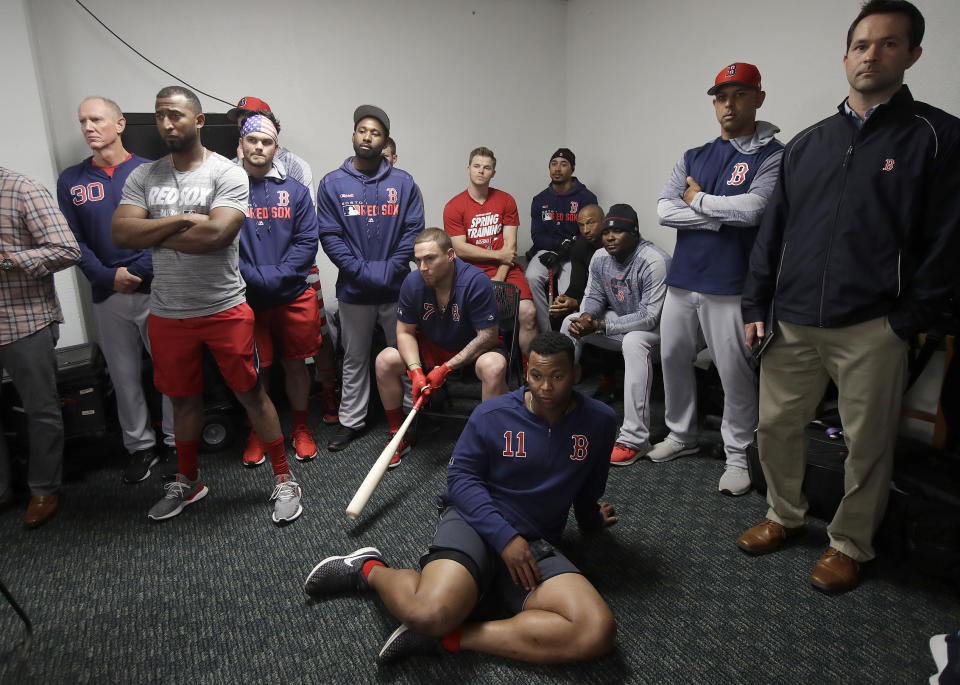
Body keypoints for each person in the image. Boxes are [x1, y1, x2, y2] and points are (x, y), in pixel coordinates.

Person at [737, 0, 960, 593]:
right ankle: (783, 515)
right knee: (775, 427)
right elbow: (772, 233)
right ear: (845, 58)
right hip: (793, 321)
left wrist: (911, 319)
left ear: (912, 54)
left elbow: (950, 240)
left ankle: (850, 544)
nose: (872, 54)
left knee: (866, 444)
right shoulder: (808, 144)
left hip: (874, 326)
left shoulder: (938, 137)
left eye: (888, 44)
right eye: (862, 44)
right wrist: (757, 306)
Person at [304, 331, 618, 665]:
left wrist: (591, 519)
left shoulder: (598, 421)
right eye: (537, 376)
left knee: (596, 630)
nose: (545, 387)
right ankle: (367, 568)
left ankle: (449, 637)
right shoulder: (493, 415)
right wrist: (504, 537)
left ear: (576, 374)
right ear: (526, 372)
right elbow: (460, 480)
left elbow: (587, 486)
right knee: (427, 612)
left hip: (535, 543)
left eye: (557, 376)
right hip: (476, 521)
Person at [112, 86, 302, 525]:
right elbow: (121, 234)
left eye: (176, 115)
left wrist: (152, 228)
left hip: (224, 308)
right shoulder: (144, 177)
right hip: (168, 311)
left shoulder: (227, 174)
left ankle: (283, 476)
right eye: (160, 116)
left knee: (251, 394)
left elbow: (216, 236)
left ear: (198, 121)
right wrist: (181, 219)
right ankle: (188, 479)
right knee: (182, 402)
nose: (166, 124)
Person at [649, 62, 783, 496]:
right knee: (672, 357)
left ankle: (740, 455)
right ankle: (681, 435)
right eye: (722, 96)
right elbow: (664, 210)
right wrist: (716, 215)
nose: (729, 103)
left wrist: (699, 200)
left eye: (740, 94)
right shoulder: (694, 155)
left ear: (758, 98)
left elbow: (755, 210)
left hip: (731, 284)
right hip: (683, 279)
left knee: (733, 371)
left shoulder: (773, 153)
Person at [56, 96, 175, 484]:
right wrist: (109, 278)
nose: (89, 127)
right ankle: (140, 448)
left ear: (120, 124)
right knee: (123, 377)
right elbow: (73, 241)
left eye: (96, 119)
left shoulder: (152, 171)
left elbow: (168, 231)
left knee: (170, 370)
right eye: (82, 122)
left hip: (156, 290)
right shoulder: (71, 181)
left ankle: (176, 441)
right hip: (108, 295)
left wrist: (136, 271)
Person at [317, 104, 424, 451]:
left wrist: (389, 269)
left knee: (404, 354)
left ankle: (410, 417)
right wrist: (362, 271)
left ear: (385, 141)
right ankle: (351, 420)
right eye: (363, 130)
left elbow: (413, 231)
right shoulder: (332, 184)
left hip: (398, 286)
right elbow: (330, 235)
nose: (368, 137)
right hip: (354, 287)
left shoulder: (403, 182)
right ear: (353, 136)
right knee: (354, 356)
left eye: (375, 133)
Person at [374, 227, 507, 467]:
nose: (423, 267)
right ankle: (398, 434)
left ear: (450, 255)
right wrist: (415, 371)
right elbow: (404, 332)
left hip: (471, 353)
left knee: (494, 366)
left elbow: (488, 336)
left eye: (430, 258)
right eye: (418, 260)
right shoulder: (413, 283)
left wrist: (445, 368)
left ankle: (488, 443)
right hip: (433, 349)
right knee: (385, 359)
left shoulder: (475, 281)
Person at [236, 114, 321, 467]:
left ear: (275, 148)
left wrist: (278, 276)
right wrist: (255, 277)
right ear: (241, 145)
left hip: (292, 293)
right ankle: (261, 432)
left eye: (266, 142)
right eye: (252, 140)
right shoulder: (226, 189)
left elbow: (307, 241)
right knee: (258, 370)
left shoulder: (295, 191)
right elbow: (222, 244)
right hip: (247, 298)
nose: (259, 147)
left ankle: (300, 428)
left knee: (296, 364)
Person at [0, 167, 80, 527]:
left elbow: (66, 249)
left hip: (24, 321)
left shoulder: (22, 188)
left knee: (40, 410)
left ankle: (44, 488)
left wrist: (8, 260)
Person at [561, 204, 670, 465]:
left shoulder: (654, 261)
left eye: (619, 232)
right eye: (608, 232)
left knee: (634, 341)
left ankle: (634, 439)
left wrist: (599, 326)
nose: (610, 237)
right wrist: (587, 317)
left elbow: (649, 316)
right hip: (621, 324)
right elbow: (594, 296)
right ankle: (557, 408)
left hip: (659, 334)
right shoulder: (600, 257)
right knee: (570, 322)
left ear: (635, 233)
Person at [442, 146, 538, 354]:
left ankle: (530, 371)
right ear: (468, 169)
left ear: (493, 173)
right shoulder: (454, 206)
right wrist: (498, 255)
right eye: (476, 166)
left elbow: (510, 246)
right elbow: (460, 249)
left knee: (528, 312)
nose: (481, 171)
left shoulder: (506, 200)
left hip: (506, 269)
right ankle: (472, 365)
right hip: (470, 271)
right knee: (470, 318)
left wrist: (499, 277)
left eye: (487, 167)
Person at [525, 148, 597, 333]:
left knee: (568, 294)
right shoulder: (540, 199)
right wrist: (557, 247)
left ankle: (568, 338)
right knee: (532, 277)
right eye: (554, 164)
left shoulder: (586, 197)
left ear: (572, 168)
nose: (558, 168)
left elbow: (589, 233)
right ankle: (546, 333)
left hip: (574, 254)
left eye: (563, 164)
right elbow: (537, 235)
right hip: (548, 251)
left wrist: (566, 250)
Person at [226, 96, 313, 191]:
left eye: (254, 126)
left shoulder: (295, 166)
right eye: (241, 129)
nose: (246, 132)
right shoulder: (230, 167)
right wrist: (242, 167)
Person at [547, 203, 605, 325]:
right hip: (588, 299)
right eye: (581, 225)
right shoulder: (580, 247)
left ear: (603, 222)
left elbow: (610, 295)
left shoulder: (613, 246)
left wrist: (577, 303)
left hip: (610, 303)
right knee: (557, 313)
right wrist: (563, 300)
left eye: (590, 223)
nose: (585, 230)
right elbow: (576, 287)